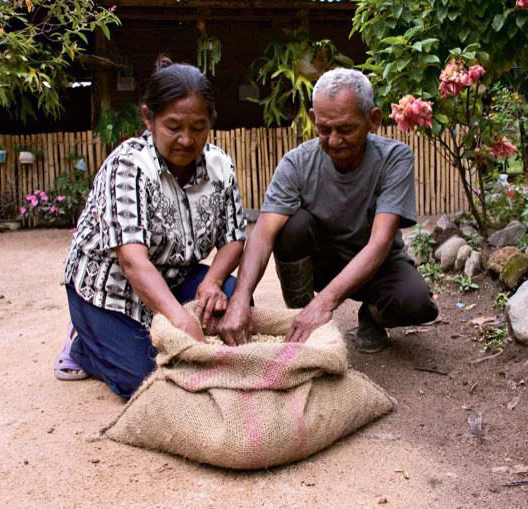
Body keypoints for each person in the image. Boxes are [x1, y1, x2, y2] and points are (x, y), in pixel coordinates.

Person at [54, 58, 247, 398]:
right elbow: (132, 262)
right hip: (109, 291)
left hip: (174, 278)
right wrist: (182, 321)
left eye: (198, 128)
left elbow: (233, 239)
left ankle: (127, 335)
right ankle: (84, 344)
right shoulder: (127, 167)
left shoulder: (220, 165)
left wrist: (213, 282)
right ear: (148, 118)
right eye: (173, 127)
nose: (186, 140)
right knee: (144, 379)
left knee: (233, 305)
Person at [218, 68, 437, 353]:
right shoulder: (296, 164)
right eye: (324, 129)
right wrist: (240, 298)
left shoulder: (395, 158)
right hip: (325, 263)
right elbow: (262, 234)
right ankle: (298, 318)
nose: (334, 140)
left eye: (346, 129)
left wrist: (324, 303)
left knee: (415, 303)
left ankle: (370, 316)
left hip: (377, 265)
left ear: (373, 121)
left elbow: (381, 243)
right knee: (292, 226)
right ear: (313, 119)